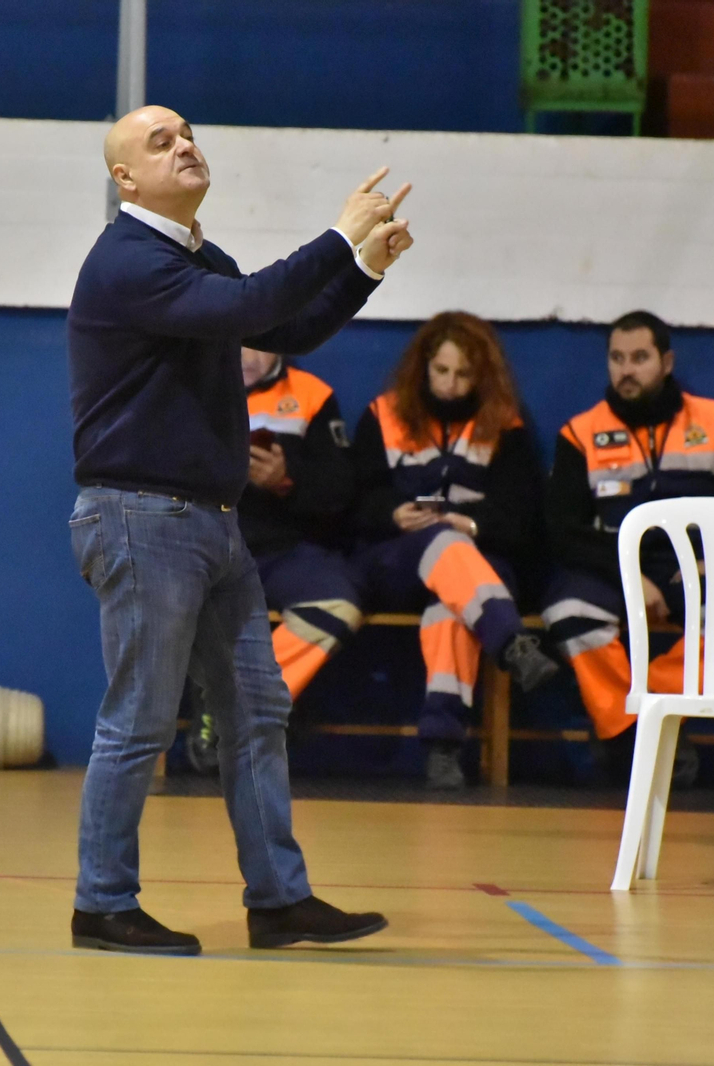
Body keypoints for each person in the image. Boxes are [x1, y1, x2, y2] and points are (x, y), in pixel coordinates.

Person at [67, 105, 411, 954]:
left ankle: (278, 900)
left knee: (256, 712)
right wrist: (337, 236)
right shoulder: (126, 262)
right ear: (125, 180)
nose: (184, 144)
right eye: (160, 141)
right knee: (139, 721)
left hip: (211, 524)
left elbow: (279, 327)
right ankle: (101, 904)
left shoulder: (189, 257)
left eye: (187, 134)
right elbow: (258, 299)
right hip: (142, 516)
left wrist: (362, 267)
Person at [541, 310, 714, 781]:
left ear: (666, 363)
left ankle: (634, 724)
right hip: (611, 572)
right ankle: (638, 737)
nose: (626, 370)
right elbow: (560, 533)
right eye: (617, 358)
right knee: (567, 616)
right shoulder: (579, 433)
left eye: (639, 358)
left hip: (695, 573)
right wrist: (628, 576)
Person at [350, 311, 558, 789]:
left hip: (477, 562)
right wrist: (393, 514)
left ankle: (442, 747)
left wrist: (470, 523)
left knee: (452, 609)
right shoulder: (383, 414)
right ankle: (513, 644)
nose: (450, 383)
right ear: (423, 367)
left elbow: (522, 518)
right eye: (441, 371)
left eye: (463, 374)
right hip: (394, 561)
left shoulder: (506, 425)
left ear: (481, 376)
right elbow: (353, 500)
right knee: (441, 545)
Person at [185, 345, 363, 772]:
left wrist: (285, 482)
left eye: (260, 345)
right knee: (166, 599)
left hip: (286, 552)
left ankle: (228, 701)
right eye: (237, 341)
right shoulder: (189, 388)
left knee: (339, 605)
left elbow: (340, 493)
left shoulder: (312, 395)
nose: (247, 356)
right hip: (209, 548)